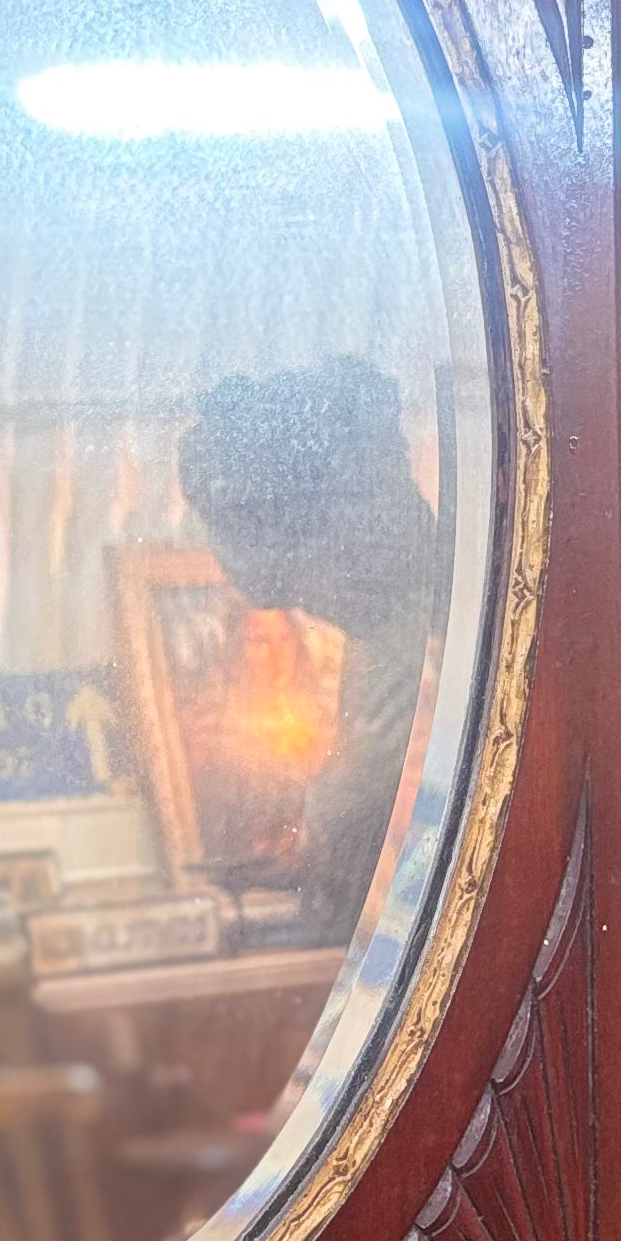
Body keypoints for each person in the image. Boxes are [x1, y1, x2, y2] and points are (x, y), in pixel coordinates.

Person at [175, 354, 436, 946]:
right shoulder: (388, 634)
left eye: (238, 532)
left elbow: (373, 797)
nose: (246, 577)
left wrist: (320, 835)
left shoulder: (423, 637)